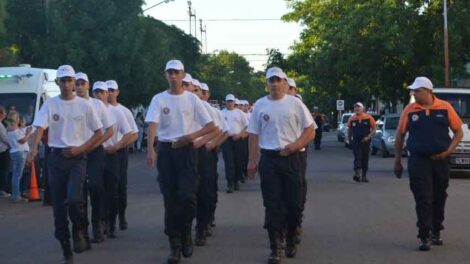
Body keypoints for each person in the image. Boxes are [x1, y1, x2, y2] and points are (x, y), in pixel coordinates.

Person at [27, 65, 103, 263]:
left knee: (74, 199)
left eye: (70, 80)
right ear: (58, 83)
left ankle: (79, 228)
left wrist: (82, 148)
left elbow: (99, 133)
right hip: (56, 159)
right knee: (59, 210)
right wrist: (34, 149)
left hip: (76, 158)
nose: (68, 84)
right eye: (64, 80)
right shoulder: (50, 105)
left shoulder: (85, 105)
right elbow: (39, 128)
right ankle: (66, 249)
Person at [145, 60, 215, 264]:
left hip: (186, 151)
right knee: (170, 200)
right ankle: (175, 245)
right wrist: (151, 149)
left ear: (183, 74)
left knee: (187, 197)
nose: (173, 76)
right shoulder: (159, 99)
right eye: (169, 72)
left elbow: (210, 126)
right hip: (167, 150)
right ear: (166, 75)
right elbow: (152, 124)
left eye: (176, 72)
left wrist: (190, 137)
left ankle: (186, 233)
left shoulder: (192, 100)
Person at [247, 67, 316, 264]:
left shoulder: (295, 104)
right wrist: (252, 161)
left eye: (278, 80)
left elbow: (310, 130)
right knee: (272, 204)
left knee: (294, 204)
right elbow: (253, 134)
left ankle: (292, 235)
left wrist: (295, 145)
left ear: (285, 83)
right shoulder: (260, 105)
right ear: (267, 84)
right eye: (271, 80)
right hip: (269, 159)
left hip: (292, 158)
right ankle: (275, 247)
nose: (275, 84)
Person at [394, 77, 463, 251]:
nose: (414, 93)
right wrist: (397, 161)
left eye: (417, 91)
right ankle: (424, 235)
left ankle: (436, 231)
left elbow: (458, 132)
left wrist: (448, 151)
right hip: (418, 161)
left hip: (441, 160)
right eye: (413, 91)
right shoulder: (410, 110)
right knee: (423, 197)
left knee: (439, 197)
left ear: (428, 91)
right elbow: (400, 135)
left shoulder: (445, 108)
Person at [75, 73, 115, 243]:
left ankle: (97, 222)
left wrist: (95, 143)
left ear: (88, 85)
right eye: (76, 83)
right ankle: (82, 228)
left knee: (96, 187)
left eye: (82, 83)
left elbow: (110, 130)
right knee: (79, 192)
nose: (79, 86)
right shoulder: (70, 104)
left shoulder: (98, 105)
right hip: (76, 152)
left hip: (94, 151)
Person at [93, 81, 133, 239]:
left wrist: (117, 146)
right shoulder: (89, 109)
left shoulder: (118, 112)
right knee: (97, 189)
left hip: (111, 154)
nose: (101, 95)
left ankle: (113, 221)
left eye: (103, 92)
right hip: (95, 154)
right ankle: (100, 222)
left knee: (113, 190)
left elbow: (130, 133)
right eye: (96, 92)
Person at [107, 79, 139, 231]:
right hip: (104, 151)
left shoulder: (124, 111)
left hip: (120, 152)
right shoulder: (99, 109)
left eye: (112, 90)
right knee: (106, 186)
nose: (110, 93)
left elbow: (134, 135)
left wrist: (119, 145)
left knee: (120, 185)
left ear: (117, 92)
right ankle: (107, 218)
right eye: (108, 90)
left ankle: (121, 215)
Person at [222, 94, 248, 193]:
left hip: (238, 139)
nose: (230, 103)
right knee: (229, 162)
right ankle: (230, 182)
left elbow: (246, 126)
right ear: (225, 102)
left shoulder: (239, 113)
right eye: (228, 101)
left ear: (234, 102)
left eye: (231, 101)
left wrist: (240, 135)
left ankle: (236, 180)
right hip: (226, 139)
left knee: (238, 161)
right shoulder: (222, 113)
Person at [6, 111, 32, 202]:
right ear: (16, 119)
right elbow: (23, 140)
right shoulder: (14, 130)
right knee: (17, 175)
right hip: (19, 153)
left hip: (15, 152)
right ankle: (16, 196)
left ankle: (15, 195)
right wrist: (29, 133)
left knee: (15, 175)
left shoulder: (10, 129)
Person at [347, 102, 376, 183]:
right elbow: (349, 130)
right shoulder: (352, 118)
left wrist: (368, 137)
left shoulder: (368, 117)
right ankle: (357, 174)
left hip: (366, 142)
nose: (357, 109)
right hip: (356, 141)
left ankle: (364, 176)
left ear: (362, 108)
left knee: (365, 159)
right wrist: (349, 140)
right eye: (355, 107)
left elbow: (374, 129)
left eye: (358, 107)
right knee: (357, 157)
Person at [0, 106, 11, 197]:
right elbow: (4, 138)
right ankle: (3, 190)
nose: (5, 114)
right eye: (4, 113)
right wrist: (12, 144)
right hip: (3, 150)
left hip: (3, 149)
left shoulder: (2, 124)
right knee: (4, 170)